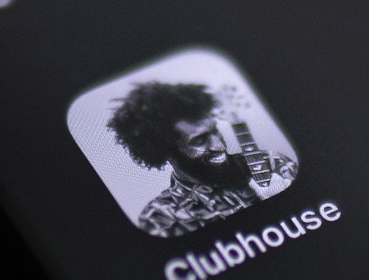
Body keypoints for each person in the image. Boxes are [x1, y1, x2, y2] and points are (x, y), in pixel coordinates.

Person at [107, 81, 296, 237]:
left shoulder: (273, 164)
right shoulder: (161, 218)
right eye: (199, 140)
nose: (219, 146)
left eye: (215, 132)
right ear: (165, 150)